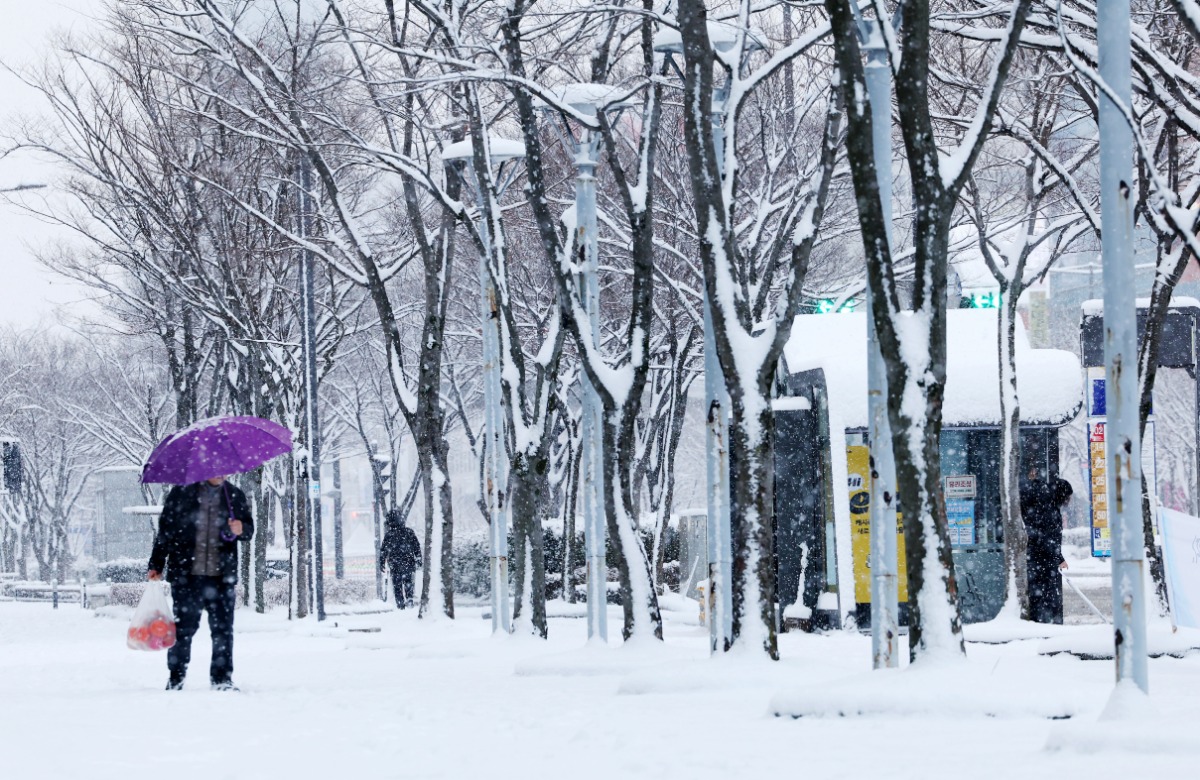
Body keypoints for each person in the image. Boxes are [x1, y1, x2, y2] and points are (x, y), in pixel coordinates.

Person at [148, 474, 253, 691]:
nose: (221, 473)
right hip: (187, 576)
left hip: (221, 577)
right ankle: (176, 677)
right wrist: (156, 564)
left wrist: (241, 529)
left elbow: (248, 531)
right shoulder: (181, 493)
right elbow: (165, 532)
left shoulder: (234, 495)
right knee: (183, 629)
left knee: (223, 630)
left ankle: (222, 679)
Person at [1020, 471, 1072, 624]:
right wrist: (1058, 558)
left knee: (1039, 595)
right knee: (1044, 595)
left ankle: (1041, 621)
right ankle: (1042, 623)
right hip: (1041, 560)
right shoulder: (1047, 508)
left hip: (1037, 558)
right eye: (1067, 497)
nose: (1068, 501)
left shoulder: (1043, 501)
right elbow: (1047, 537)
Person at [380, 509, 422, 608]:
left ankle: (400, 605)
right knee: (408, 582)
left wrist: (382, 562)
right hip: (408, 562)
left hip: (395, 564)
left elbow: (383, 551)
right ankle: (409, 598)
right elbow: (416, 546)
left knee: (397, 586)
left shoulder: (389, 535)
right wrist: (418, 558)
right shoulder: (409, 532)